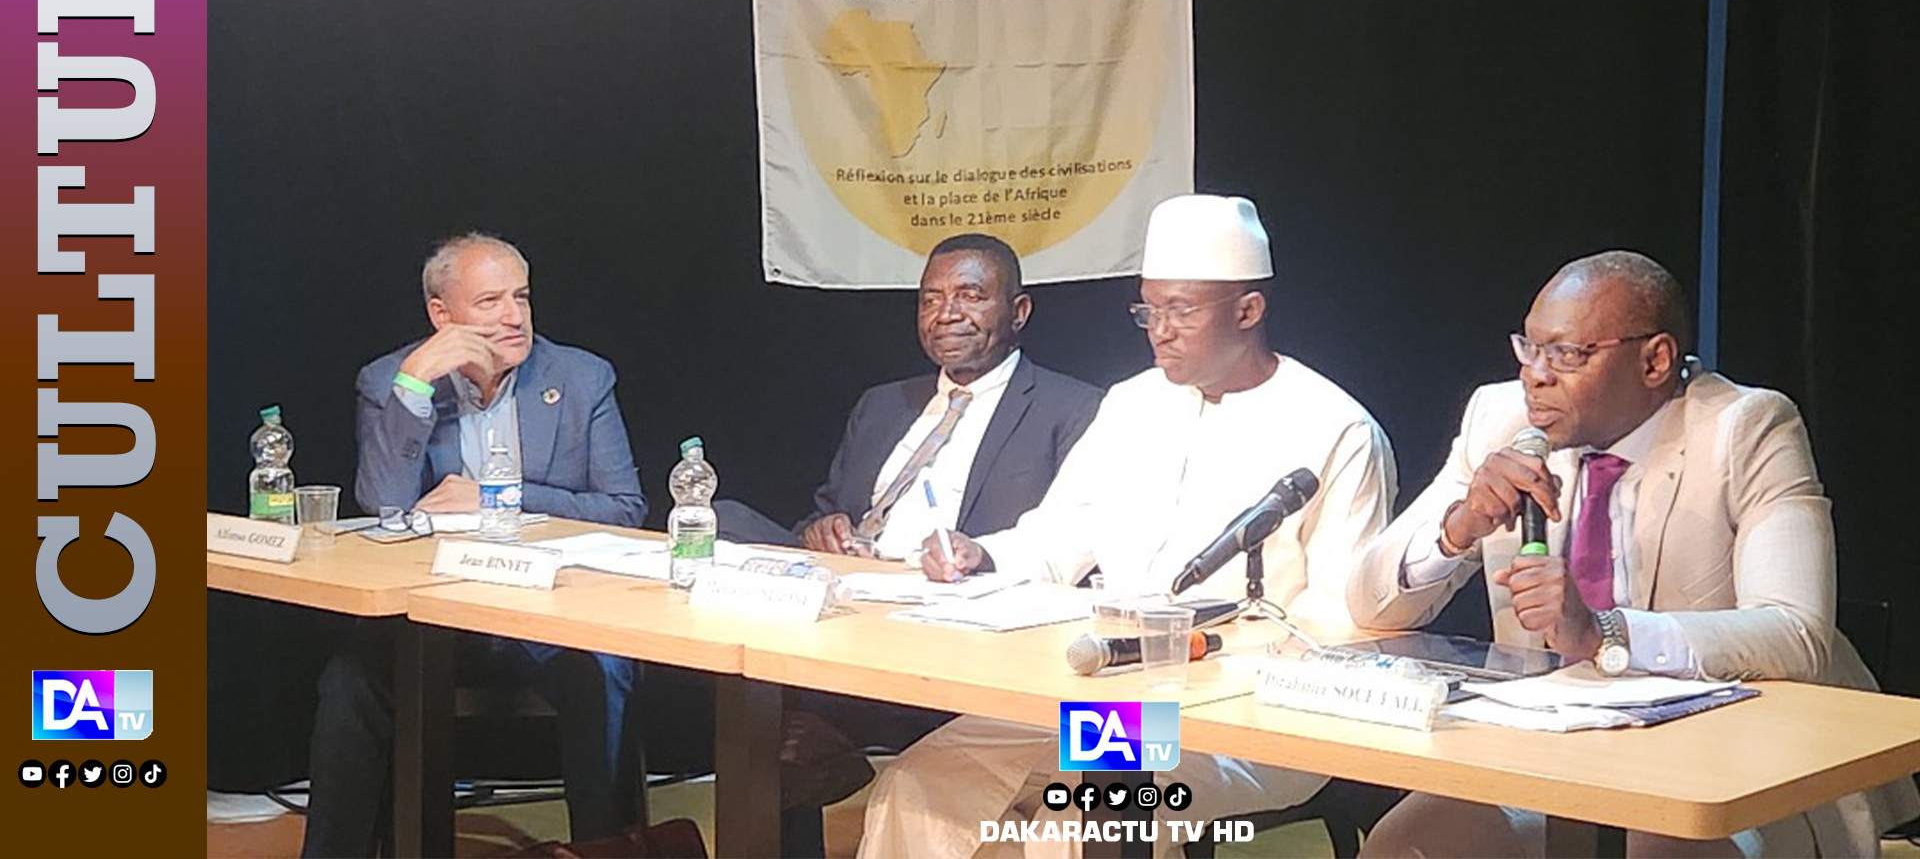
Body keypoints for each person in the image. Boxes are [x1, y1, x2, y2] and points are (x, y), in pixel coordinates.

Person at [858, 195, 1398, 859]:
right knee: (921, 785)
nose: (1159, 331)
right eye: (1148, 311)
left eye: (1181, 311)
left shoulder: (1336, 427)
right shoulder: (1133, 403)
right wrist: (981, 553)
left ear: (1248, 310)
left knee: (1072, 825)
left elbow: (1340, 629)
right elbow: (1061, 534)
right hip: (1108, 703)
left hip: (1242, 719)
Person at [1348, 251, 1920, 858]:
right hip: (1553, 747)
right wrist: (1458, 528)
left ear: (1655, 361)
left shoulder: (1747, 427)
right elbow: (1370, 604)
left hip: (1730, 756)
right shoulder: (1501, 418)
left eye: (1567, 354)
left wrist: (1605, 633)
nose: (1535, 376)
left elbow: (1795, 632)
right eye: (1529, 348)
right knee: (1408, 843)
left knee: (1659, 844)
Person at [709, 232, 1105, 845]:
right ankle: (815, 723)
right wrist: (821, 531)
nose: (946, 313)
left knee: (778, 735)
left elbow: (1066, 541)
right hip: (846, 600)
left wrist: (978, 553)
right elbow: (827, 512)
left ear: (1018, 311)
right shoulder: (883, 404)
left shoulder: (1071, 408)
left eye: (970, 295)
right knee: (721, 521)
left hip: (951, 615)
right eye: (931, 299)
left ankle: (826, 729)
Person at [302, 233, 646, 857]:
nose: (514, 316)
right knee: (350, 680)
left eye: (522, 297)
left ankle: (608, 849)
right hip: (432, 612)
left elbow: (624, 508)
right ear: (442, 315)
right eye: (490, 302)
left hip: (547, 610)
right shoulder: (389, 381)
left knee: (604, 669)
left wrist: (497, 497)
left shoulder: (581, 377)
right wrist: (414, 385)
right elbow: (383, 506)